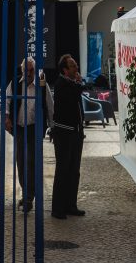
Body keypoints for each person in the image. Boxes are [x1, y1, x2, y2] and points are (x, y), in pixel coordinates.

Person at [4, 57, 53, 212]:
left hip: (34, 128)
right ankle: (27, 193)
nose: (30, 73)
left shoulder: (42, 85)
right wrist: (6, 117)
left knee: (31, 161)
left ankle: (28, 197)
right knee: (21, 161)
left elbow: (49, 105)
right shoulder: (15, 83)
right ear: (22, 70)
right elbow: (6, 100)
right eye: (27, 70)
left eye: (32, 70)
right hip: (19, 128)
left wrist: (51, 126)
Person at [51, 54, 86, 219]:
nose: (76, 68)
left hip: (76, 131)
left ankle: (70, 204)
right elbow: (73, 97)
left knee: (74, 170)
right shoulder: (61, 84)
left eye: (76, 65)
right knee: (63, 170)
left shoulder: (72, 83)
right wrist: (79, 83)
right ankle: (58, 208)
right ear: (65, 70)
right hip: (64, 132)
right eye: (72, 66)